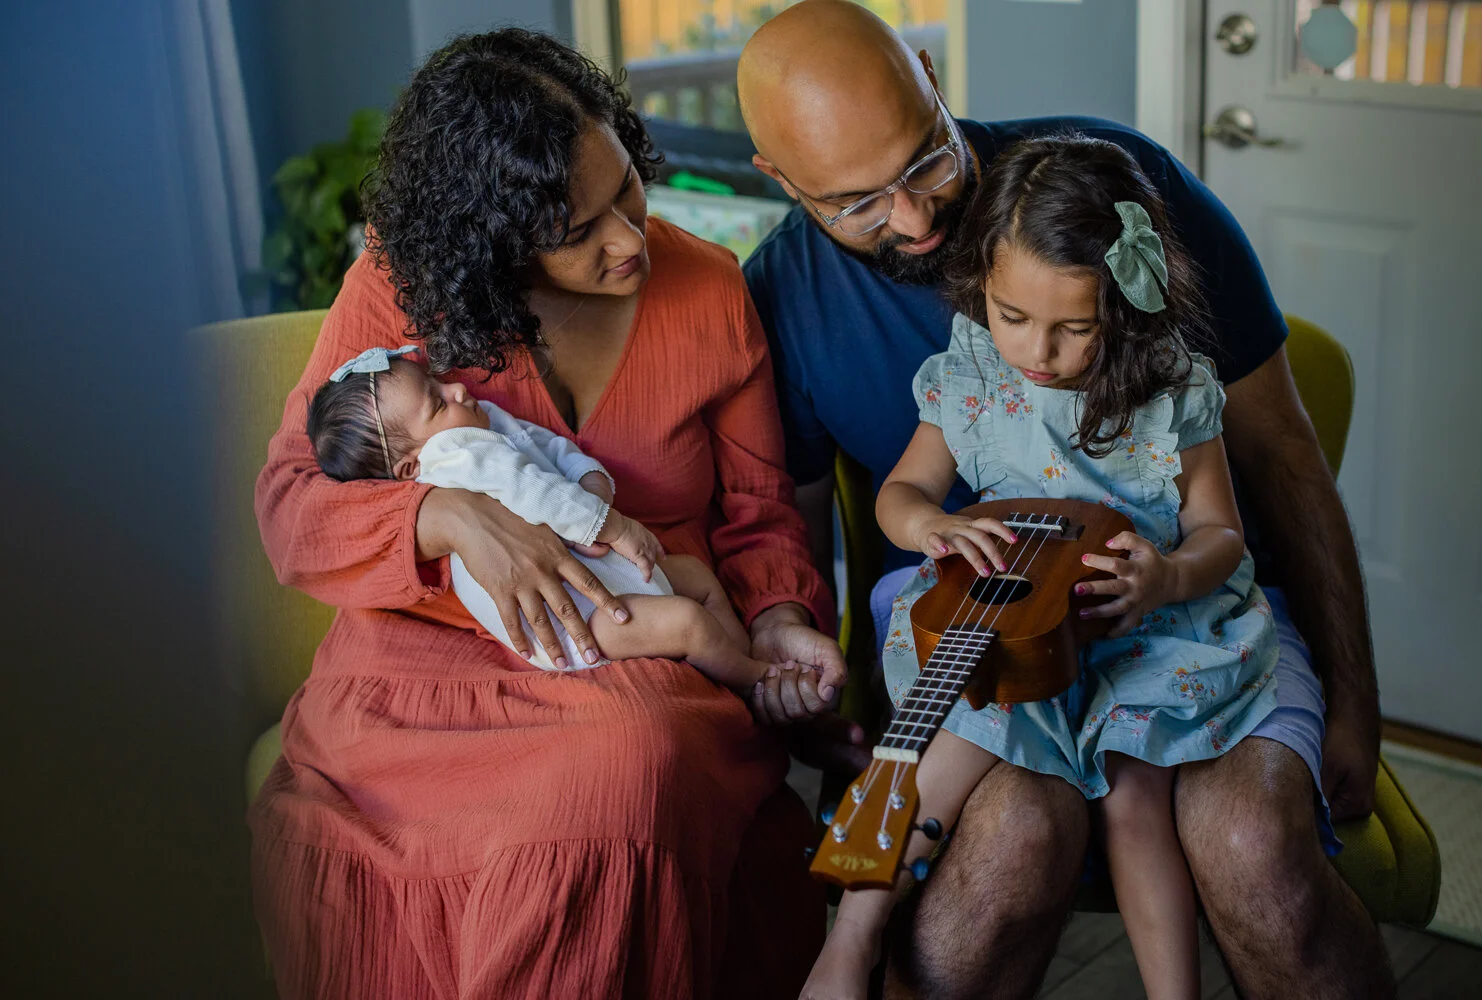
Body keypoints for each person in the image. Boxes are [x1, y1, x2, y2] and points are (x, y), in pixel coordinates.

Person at [737, 3, 1392, 997]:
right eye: (856, 203)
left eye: (924, 162)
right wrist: (813, 695)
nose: (911, 220)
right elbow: (786, 532)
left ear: (931, 79)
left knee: (1252, 847)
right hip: (985, 637)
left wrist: (1354, 698)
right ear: (779, 179)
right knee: (1004, 847)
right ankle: (849, 944)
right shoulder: (793, 300)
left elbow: (1281, 457)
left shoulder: (1124, 195)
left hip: (1181, 628)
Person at [251, 29, 844, 999]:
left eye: (628, 188)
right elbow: (292, 504)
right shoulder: (401, 289)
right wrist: (448, 517)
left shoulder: (707, 290)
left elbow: (757, 512)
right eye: (576, 230)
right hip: (426, 670)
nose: (628, 240)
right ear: (489, 238)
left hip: (638, 641)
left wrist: (778, 620)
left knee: (621, 769)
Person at [804, 135, 1282, 1000]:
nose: (1037, 350)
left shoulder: (1173, 388)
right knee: (951, 739)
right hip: (1013, 616)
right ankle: (851, 937)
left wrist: (1168, 577)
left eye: (1075, 328)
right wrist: (931, 525)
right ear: (981, 285)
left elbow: (1220, 532)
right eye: (1011, 315)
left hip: (1136, 626)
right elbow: (902, 492)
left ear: (1123, 312)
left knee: (1135, 801)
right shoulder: (972, 373)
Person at [306, 345, 834, 696]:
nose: (457, 390)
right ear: (411, 467)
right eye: (436, 403)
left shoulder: (476, 424)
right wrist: (613, 525)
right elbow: (534, 490)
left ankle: (735, 657)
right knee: (688, 622)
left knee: (695, 576)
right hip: (571, 621)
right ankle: (754, 680)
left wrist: (588, 478)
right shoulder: (455, 458)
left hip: (595, 578)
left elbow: (543, 445)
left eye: (437, 382)